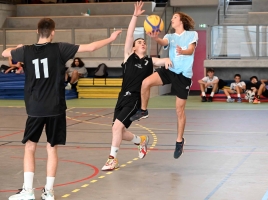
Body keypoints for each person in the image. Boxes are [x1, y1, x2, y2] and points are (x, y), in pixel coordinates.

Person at [2, 18, 121, 200]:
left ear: (37, 31)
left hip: (35, 107)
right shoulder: (59, 48)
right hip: (56, 107)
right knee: (52, 148)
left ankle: (28, 191)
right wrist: (111, 38)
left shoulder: (25, 50)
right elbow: (91, 47)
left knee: (30, 147)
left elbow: (5, 53)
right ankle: (48, 191)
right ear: (53, 32)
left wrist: (16, 47)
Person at [102, 1, 172, 171]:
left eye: (144, 42)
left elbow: (162, 61)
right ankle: (141, 140)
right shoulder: (128, 57)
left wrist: (168, 59)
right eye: (139, 42)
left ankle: (112, 159)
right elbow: (129, 35)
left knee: (117, 127)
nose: (142, 43)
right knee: (118, 130)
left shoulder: (149, 61)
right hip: (121, 97)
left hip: (135, 99)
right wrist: (135, 16)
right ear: (133, 48)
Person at [130, 11, 198, 159]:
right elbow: (163, 42)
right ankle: (143, 110)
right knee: (146, 82)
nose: (172, 19)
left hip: (183, 76)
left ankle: (179, 141)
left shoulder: (192, 34)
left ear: (181, 20)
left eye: (174, 17)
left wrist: (183, 51)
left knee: (179, 110)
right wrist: (156, 38)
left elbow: (191, 50)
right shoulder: (170, 36)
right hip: (170, 69)